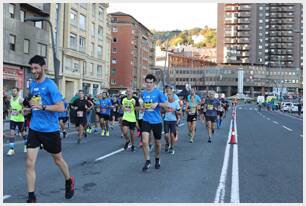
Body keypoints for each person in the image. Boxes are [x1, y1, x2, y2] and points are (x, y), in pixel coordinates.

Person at [26, 55, 74, 203]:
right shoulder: (32, 85)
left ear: (43, 67)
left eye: (36, 68)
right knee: (29, 162)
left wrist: (43, 107)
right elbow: (33, 104)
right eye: (31, 68)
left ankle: (68, 180)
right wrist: (28, 110)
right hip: (34, 128)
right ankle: (31, 197)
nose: (33, 71)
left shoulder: (50, 85)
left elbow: (61, 107)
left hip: (50, 130)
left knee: (57, 159)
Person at [141, 74, 168, 172]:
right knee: (144, 141)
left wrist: (158, 104)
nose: (148, 84)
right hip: (146, 120)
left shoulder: (158, 93)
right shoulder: (143, 93)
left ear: (154, 83)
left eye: (150, 82)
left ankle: (157, 159)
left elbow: (166, 104)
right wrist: (143, 108)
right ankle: (148, 161)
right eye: (147, 82)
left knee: (157, 143)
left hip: (156, 121)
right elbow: (143, 105)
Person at [7, 87, 27, 155]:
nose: (13, 92)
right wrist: (10, 110)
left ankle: (26, 144)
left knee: (22, 133)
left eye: (15, 91)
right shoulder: (11, 99)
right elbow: (11, 106)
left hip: (20, 119)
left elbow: (26, 107)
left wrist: (20, 111)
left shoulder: (21, 99)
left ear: (18, 92)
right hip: (13, 118)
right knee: (11, 132)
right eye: (12, 91)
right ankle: (11, 149)